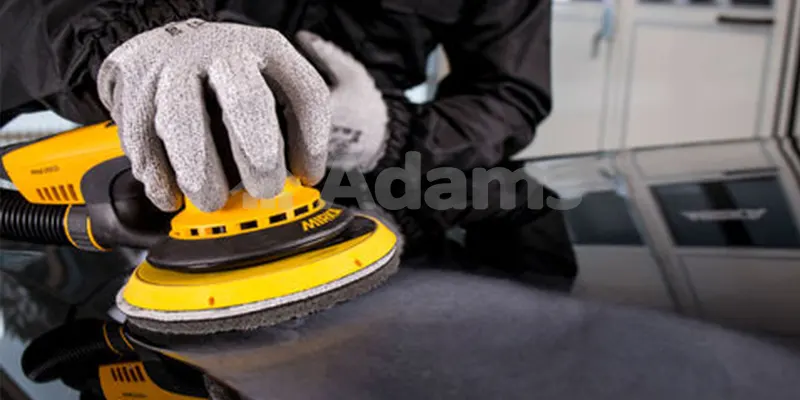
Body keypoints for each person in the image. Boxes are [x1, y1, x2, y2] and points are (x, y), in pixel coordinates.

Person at [0, 0, 577, 291]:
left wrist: (389, 134)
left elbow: (510, 91)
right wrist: (141, 38)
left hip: (372, 193)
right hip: (154, 180)